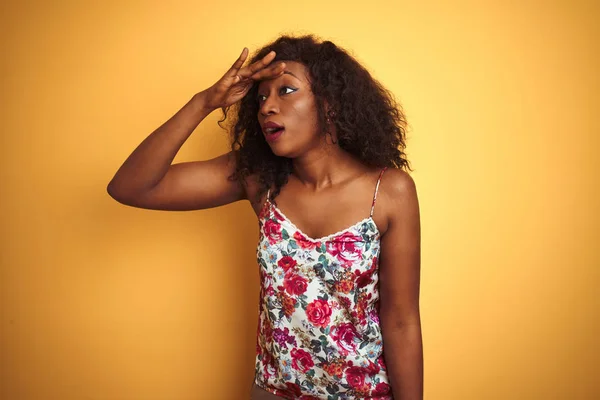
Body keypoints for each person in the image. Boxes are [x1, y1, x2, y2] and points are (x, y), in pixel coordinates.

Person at [107, 35, 423, 400]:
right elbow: (131, 187)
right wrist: (204, 102)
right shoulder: (260, 180)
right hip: (273, 393)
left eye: (286, 91)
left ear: (330, 104)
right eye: (260, 98)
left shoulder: (388, 191)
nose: (266, 108)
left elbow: (401, 321)